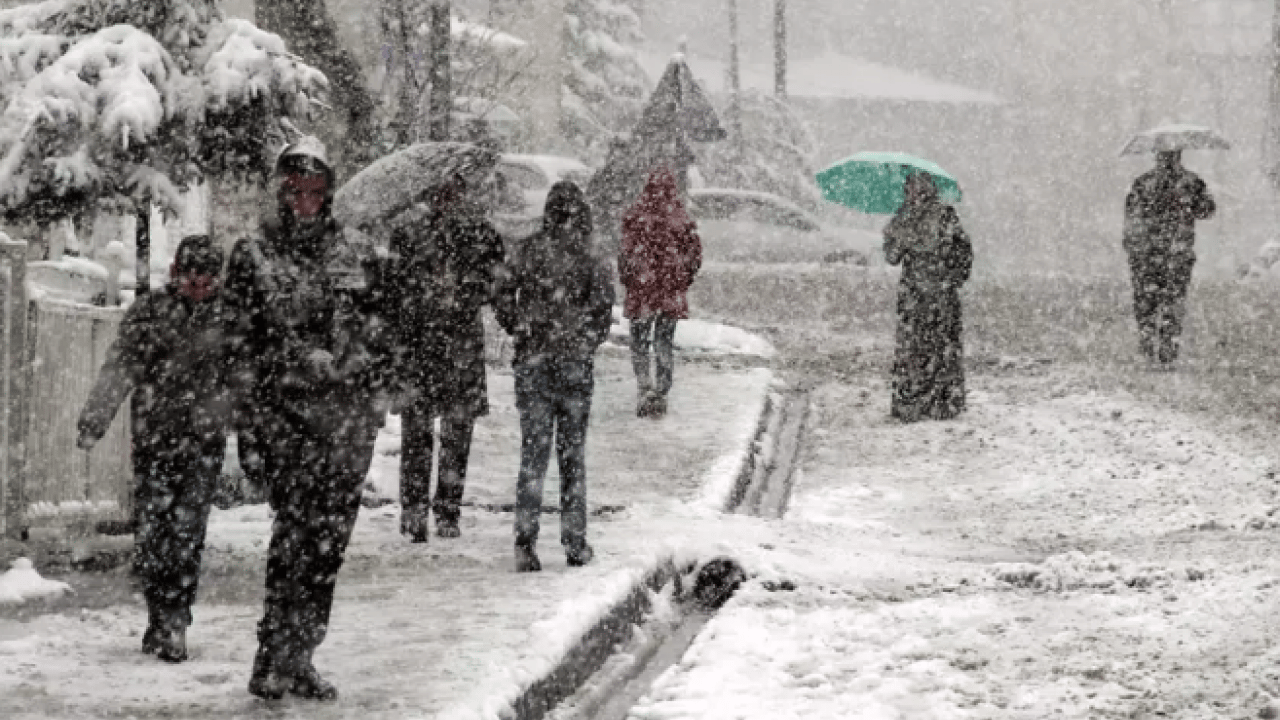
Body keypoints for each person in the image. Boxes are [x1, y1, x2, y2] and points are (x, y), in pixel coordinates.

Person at [222, 136, 388, 701]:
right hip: (286, 420)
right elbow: (240, 343)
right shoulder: (253, 255)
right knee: (294, 537)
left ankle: (302, 655)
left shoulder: (356, 252)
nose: (306, 201)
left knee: (329, 544)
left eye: (315, 190)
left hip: (347, 423)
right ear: (280, 191)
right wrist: (284, 374)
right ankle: (271, 654)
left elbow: (380, 328)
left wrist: (360, 365)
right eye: (295, 190)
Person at [76, 235, 230, 664]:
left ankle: (176, 616)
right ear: (177, 273)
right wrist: (95, 419)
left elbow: (246, 377)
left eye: (207, 279)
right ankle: (159, 612)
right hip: (156, 439)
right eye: (191, 278)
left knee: (188, 533)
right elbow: (121, 366)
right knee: (154, 532)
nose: (199, 287)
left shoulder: (229, 316)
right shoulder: (150, 311)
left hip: (204, 441)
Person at [495, 181, 615, 572]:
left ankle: (525, 541)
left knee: (533, 457)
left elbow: (501, 292)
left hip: (534, 365)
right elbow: (603, 308)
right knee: (572, 458)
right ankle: (574, 540)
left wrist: (520, 326)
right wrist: (584, 340)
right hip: (573, 369)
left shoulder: (527, 250)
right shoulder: (590, 255)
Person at [383, 173, 505, 542]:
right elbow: (394, 289)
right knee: (438, 431)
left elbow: (494, 284)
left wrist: (456, 291)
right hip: (442, 345)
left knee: (436, 432)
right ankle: (431, 511)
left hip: (433, 344)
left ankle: (427, 510)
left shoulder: (469, 233)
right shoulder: (477, 233)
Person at [883, 172, 974, 423]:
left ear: (929, 188)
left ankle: (941, 402)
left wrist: (951, 276)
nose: (913, 192)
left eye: (918, 187)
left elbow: (963, 251)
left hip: (940, 293)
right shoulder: (902, 218)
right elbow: (892, 257)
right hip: (914, 294)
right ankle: (912, 402)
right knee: (914, 347)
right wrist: (895, 238)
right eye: (910, 187)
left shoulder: (944, 215)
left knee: (941, 346)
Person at [618, 166, 702, 419]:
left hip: (642, 291)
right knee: (664, 342)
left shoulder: (635, 217)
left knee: (640, 343)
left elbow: (625, 255)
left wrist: (631, 280)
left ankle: (644, 386)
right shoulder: (681, 219)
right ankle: (661, 391)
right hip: (669, 292)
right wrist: (682, 280)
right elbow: (694, 256)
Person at [1123, 149, 1216, 365]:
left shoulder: (1143, 183)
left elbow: (1131, 218)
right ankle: (1166, 348)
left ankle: (1150, 346)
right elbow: (1207, 210)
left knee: (1147, 302)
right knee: (1172, 302)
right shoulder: (1191, 182)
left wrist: (1132, 247)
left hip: (1149, 255)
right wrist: (1189, 203)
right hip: (1175, 253)